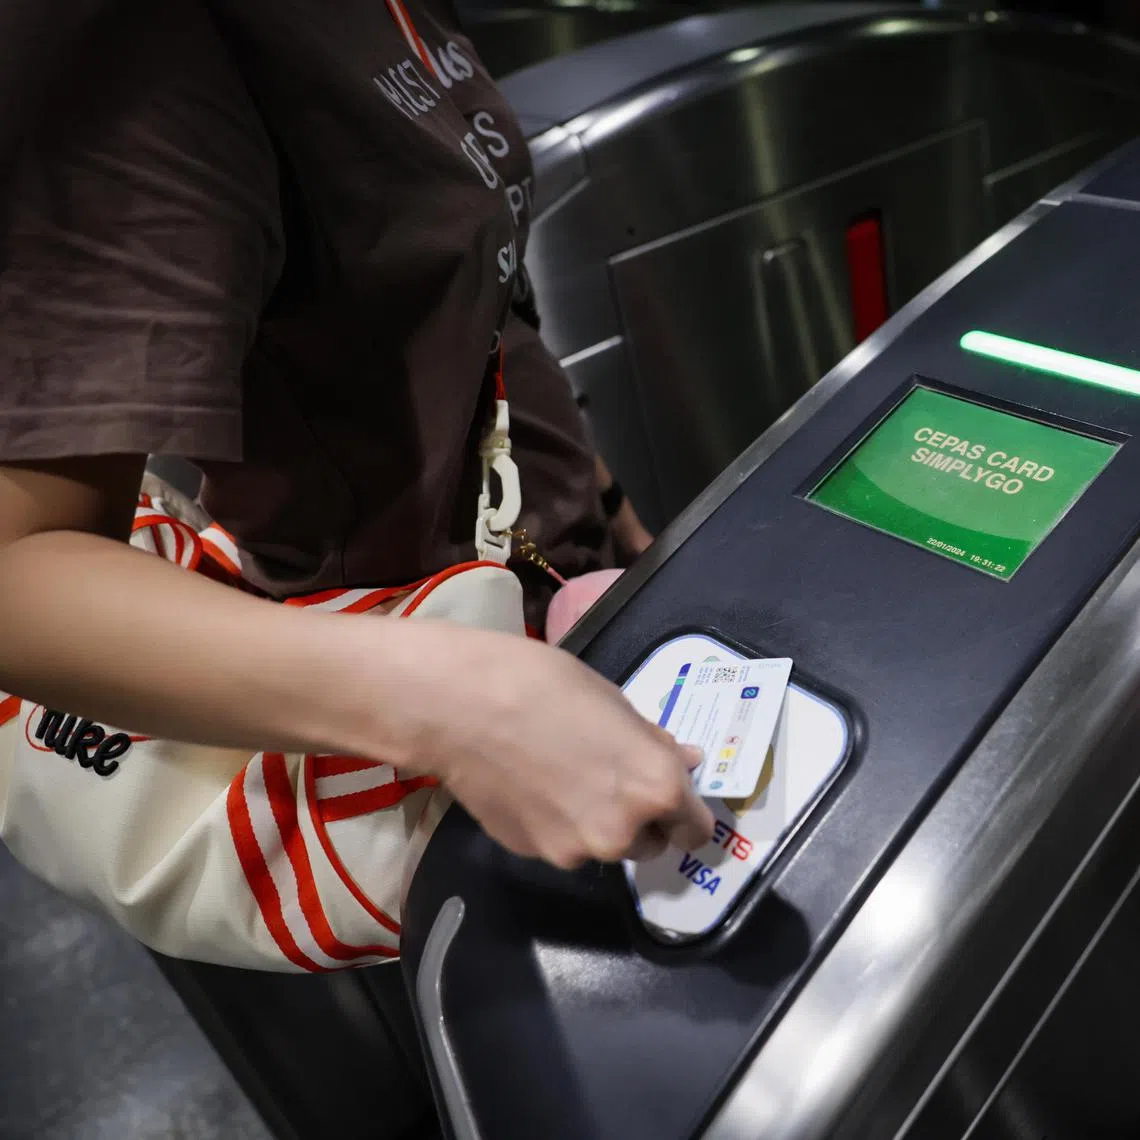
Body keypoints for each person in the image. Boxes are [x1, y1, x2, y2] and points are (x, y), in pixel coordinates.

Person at [0, 0, 714, 890]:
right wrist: (458, 708)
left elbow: (481, 308)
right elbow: (16, 571)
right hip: (403, 751)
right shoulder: (127, 38)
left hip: (557, 609)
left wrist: (616, 516)